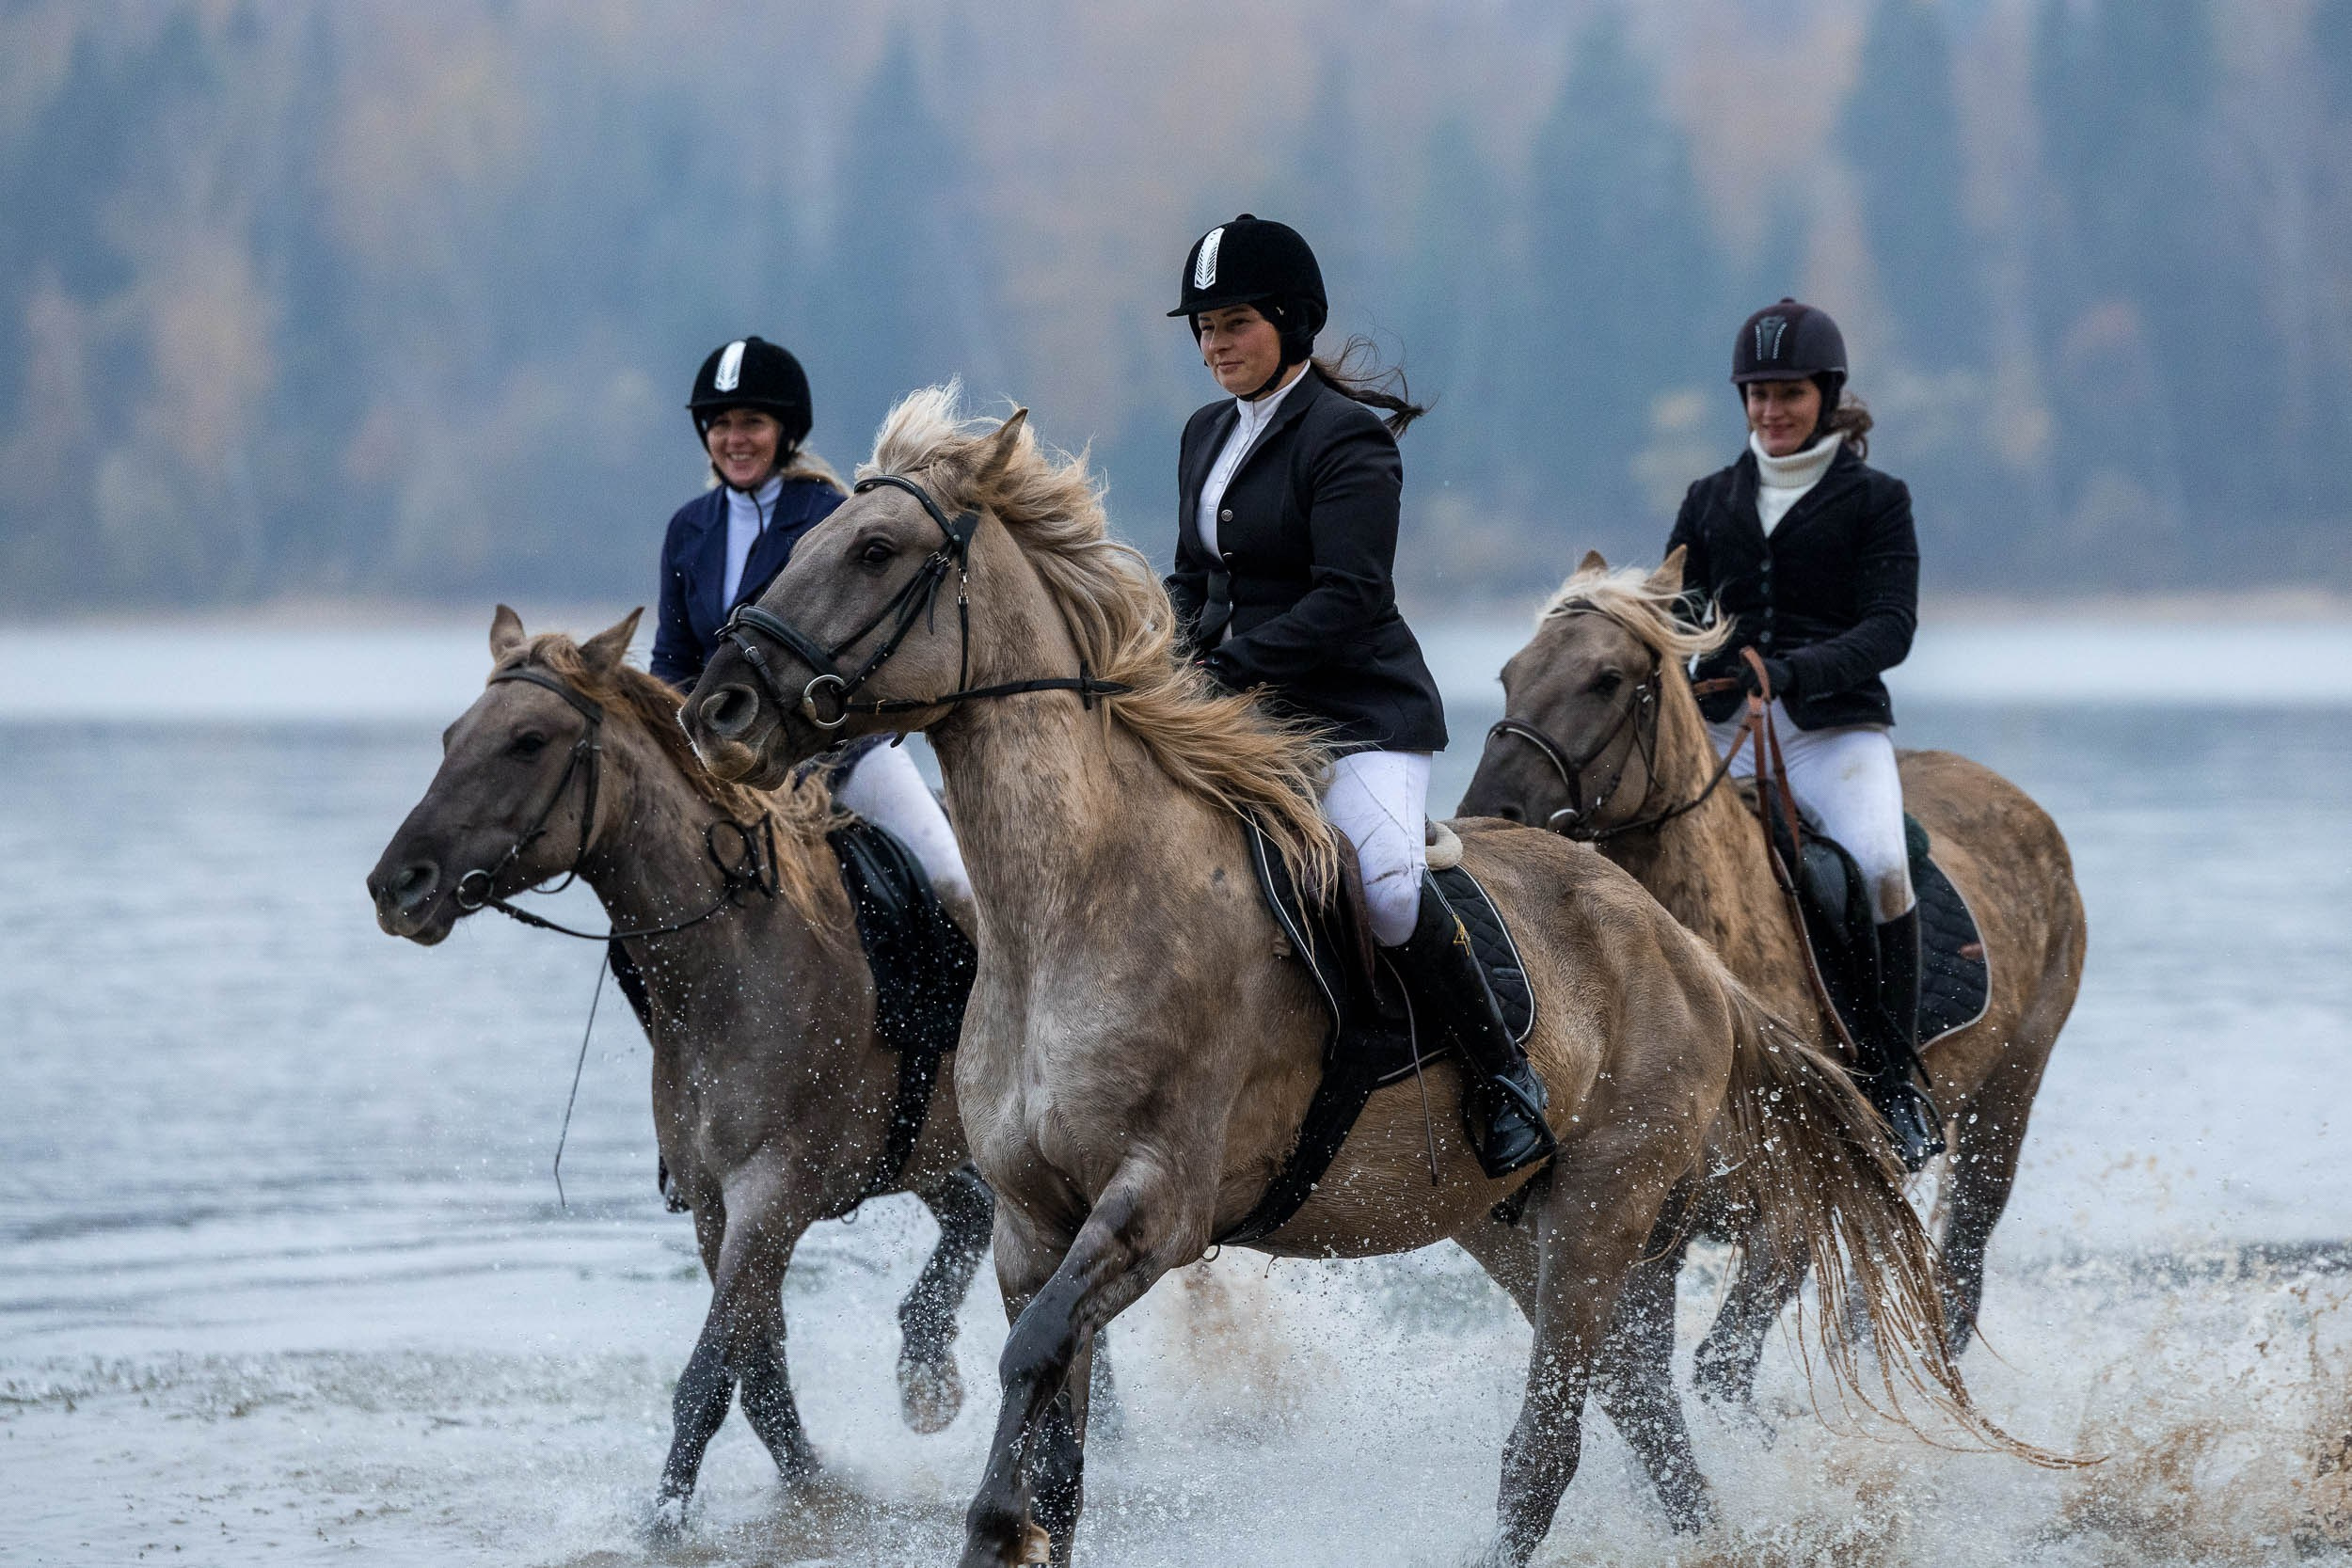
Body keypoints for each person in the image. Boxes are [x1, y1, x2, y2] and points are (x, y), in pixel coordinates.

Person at [1165, 214, 1552, 1179]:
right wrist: (1158, 656)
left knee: (1380, 882)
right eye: (1203, 325)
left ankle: (1502, 1072)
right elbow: (1190, 576)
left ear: (1292, 322)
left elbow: (1347, 600)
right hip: (1237, 705)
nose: (1215, 342)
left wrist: (1229, 666)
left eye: (1235, 322)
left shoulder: (1348, 441)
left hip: (1357, 712)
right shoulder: (1205, 432)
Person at [1665, 297, 1943, 1168]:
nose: (1770, 412)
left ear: (1826, 394)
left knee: (1879, 863)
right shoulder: (1708, 499)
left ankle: (1894, 1081)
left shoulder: (1877, 500)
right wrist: (1687, 671)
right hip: (1720, 730)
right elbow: (1675, 614)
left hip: (1832, 730)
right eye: (1755, 395)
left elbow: (1889, 628)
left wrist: (1790, 672)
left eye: (1787, 394)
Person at [650, 336, 971, 906]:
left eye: (752, 422)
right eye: (720, 423)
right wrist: (688, 753)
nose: (734, 439)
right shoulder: (687, 529)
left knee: (950, 880)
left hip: (834, 756)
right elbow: (673, 661)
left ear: (786, 432)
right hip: (719, 758)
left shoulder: (828, 515)